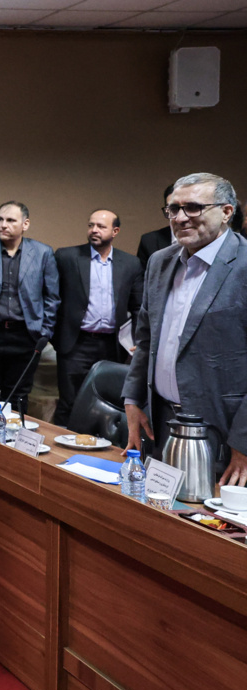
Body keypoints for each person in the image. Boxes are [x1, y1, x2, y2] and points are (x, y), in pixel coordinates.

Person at [124, 172, 247, 487]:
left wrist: (244, 442)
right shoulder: (159, 262)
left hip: (224, 432)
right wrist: (133, 400)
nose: (180, 218)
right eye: (173, 209)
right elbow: (146, 339)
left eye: (193, 208)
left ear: (227, 212)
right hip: (161, 421)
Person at [51, 210, 144, 425]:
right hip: (76, 344)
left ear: (115, 231)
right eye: (91, 225)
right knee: (69, 402)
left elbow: (139, 307)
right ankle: (61, 443)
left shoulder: (130, 263)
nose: (94, 230)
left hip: (112, 345)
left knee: (105, 404)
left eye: (101, 226)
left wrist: (140, 341)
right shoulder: (67, 257)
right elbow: (51, 296)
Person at [0, 202, 60, 406]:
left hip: (24, 336)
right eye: (0, 219)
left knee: (17, 399)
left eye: (10, 220)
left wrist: (45, 332)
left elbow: (52, 297)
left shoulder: (43, 253)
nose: (3, 225)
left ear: (25, 224)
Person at [136, 185, 175, 270]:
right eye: (173, 209)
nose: (181, 217)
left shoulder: (204, 240)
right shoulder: (150, 241)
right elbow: (143, 276)